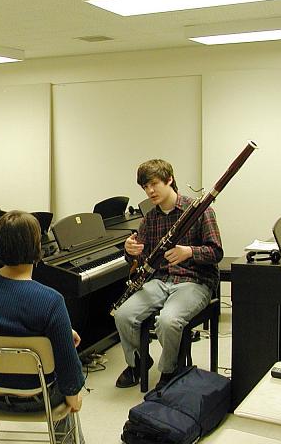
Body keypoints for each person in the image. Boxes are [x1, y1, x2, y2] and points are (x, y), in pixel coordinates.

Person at [0, 210, 84, 438]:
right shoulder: (50, 300)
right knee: (69, 390)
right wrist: (75, 398)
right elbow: (69, 373)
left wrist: (61, 332)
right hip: (37, 397)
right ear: (37, 247)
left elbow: (5, 323)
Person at [113, 159, 223, 389]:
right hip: (160, 280)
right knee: (123, 315)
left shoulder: (201, 210)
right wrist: (130, 251)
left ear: (169, 179)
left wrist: (189, 252)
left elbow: (216, 252)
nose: (150, 191)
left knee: (168, 321)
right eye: (145, 187)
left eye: (154, 184)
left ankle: (169, 370)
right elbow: (141, 260)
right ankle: (138, 363)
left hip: (194, 281)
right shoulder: (149, 219)